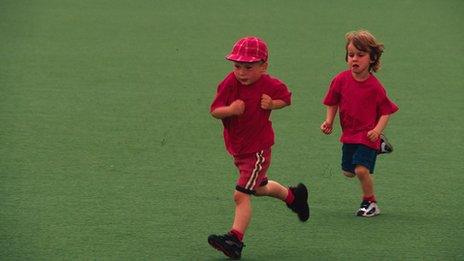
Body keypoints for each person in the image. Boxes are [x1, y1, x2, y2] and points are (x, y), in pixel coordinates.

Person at [208, 36, 310, 259]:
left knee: (240, 194)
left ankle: (235, 239)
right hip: (238, 148)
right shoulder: (229, 83)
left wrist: (272, 104)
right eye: (237, 66)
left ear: (264, 66)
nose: (241, 72)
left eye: (248, 67)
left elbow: (286, 98)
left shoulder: (270, 84)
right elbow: (215, 110)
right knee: (258, 188)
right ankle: (295, 198)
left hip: (258, 149)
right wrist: (231, 110)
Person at [320, 30, 399, 217]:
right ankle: (379, 147)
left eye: (360, 55)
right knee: (348, 172)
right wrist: (329, 121)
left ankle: (370, 203)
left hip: (368, 134)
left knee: (361, 170)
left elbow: (386, 111)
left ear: (372, 58)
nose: (354, 59)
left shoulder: (375, 87)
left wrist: (377, 131)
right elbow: (333, 101)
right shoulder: (340, 80)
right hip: (349, 134)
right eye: (351, 55)